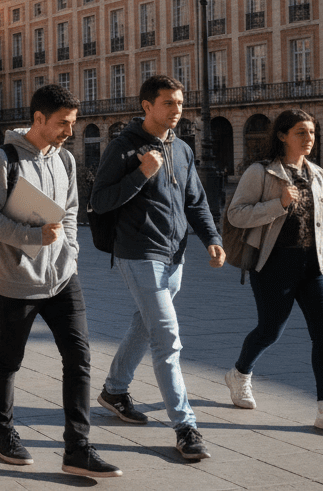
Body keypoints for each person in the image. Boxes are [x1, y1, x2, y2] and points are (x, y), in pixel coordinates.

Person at [0, 85, 120, 477]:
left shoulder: (66, 161)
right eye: (62, 124)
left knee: (79, 357)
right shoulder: (1, 159)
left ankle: (78, 448)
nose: (69, 132)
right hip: (17, 279)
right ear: (38, 119)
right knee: (9, 359)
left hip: (62, 277)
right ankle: (2, 433)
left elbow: (71, 209)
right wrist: (34, 237)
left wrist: (70, 251)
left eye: (72, 124)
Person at [90, 75, 224, 461]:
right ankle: (185, 427)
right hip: (138, 252)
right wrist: (141, 173)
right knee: (167, 337)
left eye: (180, 103)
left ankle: (115, 390)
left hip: (174, 253)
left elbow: (195, 201)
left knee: (145, 324)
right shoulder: (122, 147)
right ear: (146, 106)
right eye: (168, 103)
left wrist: (212, 239)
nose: (177, 110)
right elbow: (100, 201)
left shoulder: (181, 149)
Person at [223, 109, 323, 437]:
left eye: (312, 133)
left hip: (315, 266)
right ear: (283, 136)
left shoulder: (318, 175)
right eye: (301, 132)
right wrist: (278, 205)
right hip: (275, 265)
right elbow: (236, 215)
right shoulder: (261, 172)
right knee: (270, 329)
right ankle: (240, 374)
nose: (309, 139)